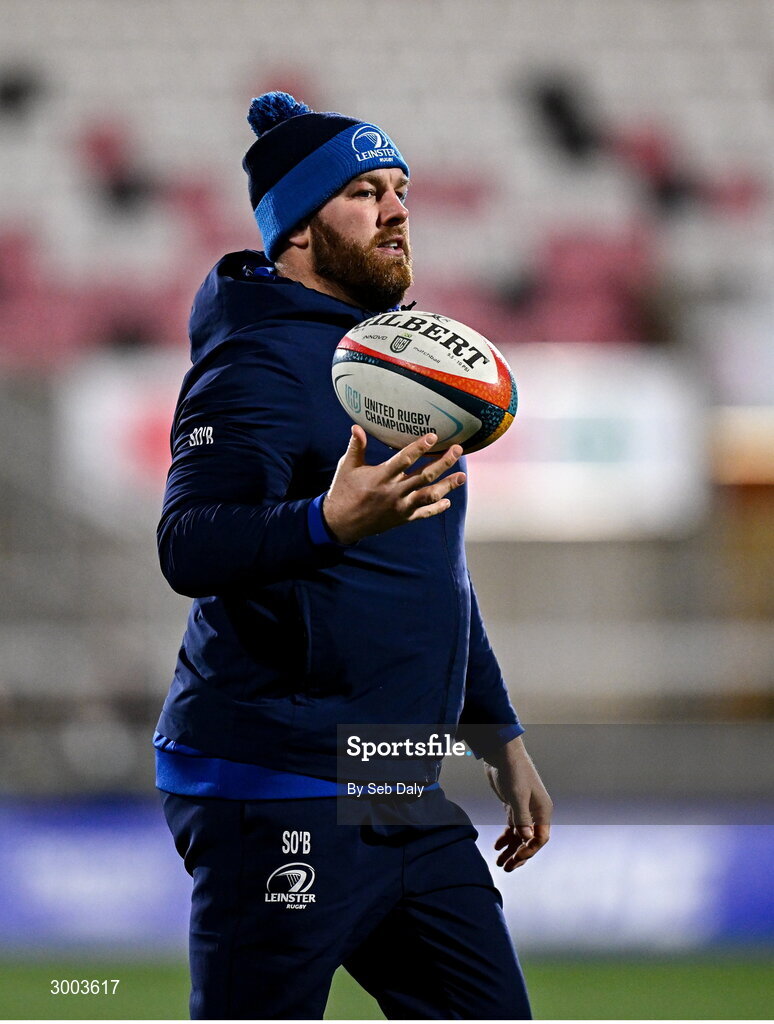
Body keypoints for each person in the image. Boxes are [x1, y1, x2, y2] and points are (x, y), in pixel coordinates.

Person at [155, 91, 552, 1020]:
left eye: (401, 188)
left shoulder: (396, 364)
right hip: (276, 779)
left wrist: (496, 733)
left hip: (390, 771)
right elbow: (187, 544)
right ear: (297, 229)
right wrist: (324, 524)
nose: (398, 208)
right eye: (365, 192)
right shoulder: (252, 360)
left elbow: (432, 576)